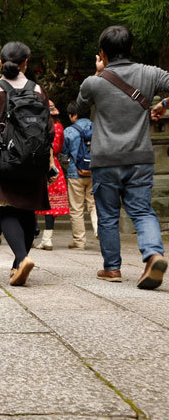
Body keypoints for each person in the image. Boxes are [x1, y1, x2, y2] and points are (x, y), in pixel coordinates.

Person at [76, 25, 169, 289]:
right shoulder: (150, 73)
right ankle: (153, 255)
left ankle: (112, 268)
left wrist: (98, 72)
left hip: (105, 159)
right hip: (140, 157)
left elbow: (79, 108)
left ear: (102, 53)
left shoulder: (94, 82)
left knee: (107, 215)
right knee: (141, 210)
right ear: (131, 48)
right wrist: (162, 104)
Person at [0, 41, 55, 286]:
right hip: (34, 160)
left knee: (6, 209)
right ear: (26, 63)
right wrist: (46, 160)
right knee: (27, 210)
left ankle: (21, 259)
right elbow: (48, 130)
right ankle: (19, 265)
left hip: (3, 160)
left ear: (0, 62)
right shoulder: (38, 89)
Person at [34, 101, 70, 250]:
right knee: (52, 204)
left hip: (38, 164)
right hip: (53, 165)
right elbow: (59, 147)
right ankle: (47, 239)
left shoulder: (39, 127)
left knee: (32, 200)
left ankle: (31, 233)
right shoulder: (60, 127)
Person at [62, 102, 97, 249]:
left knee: (77, 208)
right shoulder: (98, 127)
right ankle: (98, 229)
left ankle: (79, 241)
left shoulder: (69, 131)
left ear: (74, 115)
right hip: (95, 172)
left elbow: (63, 152)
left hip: (75, 173)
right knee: (94, 204)